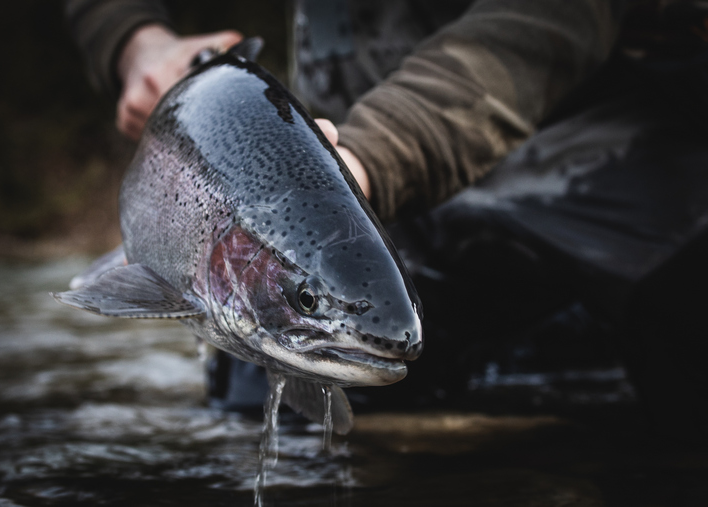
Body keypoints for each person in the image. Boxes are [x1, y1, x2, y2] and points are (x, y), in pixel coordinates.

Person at [65, 0, 708, 440]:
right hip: (346, 204)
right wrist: (134, 40)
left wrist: (355, 166)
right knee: (261, 395)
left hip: (604, 157)